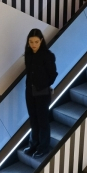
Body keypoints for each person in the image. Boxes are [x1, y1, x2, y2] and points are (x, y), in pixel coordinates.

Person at [24, 29, 57, 157]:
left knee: (42, 121)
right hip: (29, 92)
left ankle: (43, 148)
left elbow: (53, 75)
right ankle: (34, 145)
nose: (33, 44)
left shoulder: (47, 55)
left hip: (42, 93)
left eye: (36, 42)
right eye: (31, 42)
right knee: (33, 120)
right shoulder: (28, 54)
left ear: (41, 41)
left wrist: (41, 84)